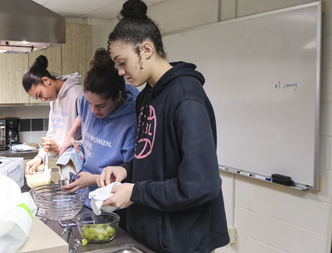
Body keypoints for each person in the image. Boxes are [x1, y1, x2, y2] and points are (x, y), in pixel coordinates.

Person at [96, 0, 230, 252]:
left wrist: (135, 192)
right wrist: (126, 170)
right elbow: (153, 158)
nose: (120, 71)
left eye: (122, 62)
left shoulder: (186, 98)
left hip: (181, 240)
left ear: (145, 49)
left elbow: (200, 185)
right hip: (149, 234)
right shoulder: (146, 97)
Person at [59, 48, 139, 210]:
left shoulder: (132, 121)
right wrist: (71, 133)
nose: (94, 111)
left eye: (101, 106)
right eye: (90, 104)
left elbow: (129, 174)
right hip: (83, 193)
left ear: (118, 96)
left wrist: (93, 179)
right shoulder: (84, 102)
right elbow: (82, 115)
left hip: (109, 201)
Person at [23, 55, 84, 172]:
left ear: (46, 81)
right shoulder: (54, 98)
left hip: (81, 168)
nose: (42, 99)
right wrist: (39, 158)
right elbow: (52, 135)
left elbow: (90, 139)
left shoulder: (77, 94)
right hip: (67, 167)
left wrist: (60, 147)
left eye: (40, 94)